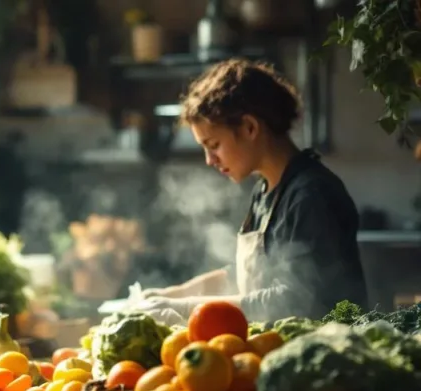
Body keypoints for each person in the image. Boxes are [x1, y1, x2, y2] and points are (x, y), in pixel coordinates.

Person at [136, 59, 367, 322]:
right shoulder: (265, 191)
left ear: (249, 127)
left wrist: (187, 308)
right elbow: (247, 275)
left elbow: (296, 301)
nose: (209, 160)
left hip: (325, 352)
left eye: (214, 144)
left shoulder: (312, 195)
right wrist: (172, 294)